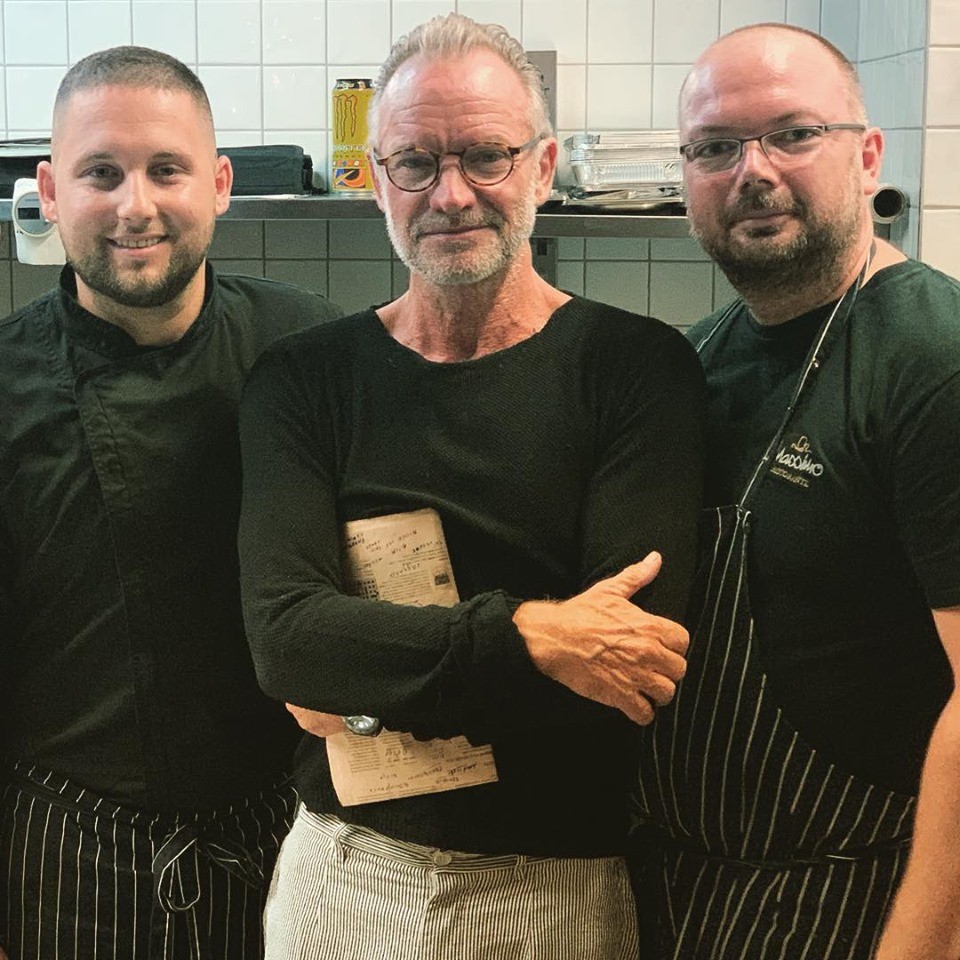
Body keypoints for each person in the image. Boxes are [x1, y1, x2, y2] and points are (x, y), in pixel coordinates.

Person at [237, 12, 705, 959]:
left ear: (542, 167)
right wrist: (536, 635)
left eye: (486, 156)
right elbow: (287, 643)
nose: (451, 194)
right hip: (342, 874)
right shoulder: (303, 380)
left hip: (554, 887)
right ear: (378, 180)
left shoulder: (637, 371)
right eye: (416, 162)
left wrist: (366, 693)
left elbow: (624, 670)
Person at [0, 46, 341, 960]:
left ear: (220, 184)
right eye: (100, 174)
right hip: (66, 854)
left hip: (288, 838)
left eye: (166, 169)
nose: (135, 206)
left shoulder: (308, 347)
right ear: (50, 191)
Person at [631, 22, 960, 960]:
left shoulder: (933, 361)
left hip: (854, 901)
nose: (753, 170)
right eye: (715, 147)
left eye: (793, 134)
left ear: (868, 155)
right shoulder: (695, 359)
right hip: (679, 891)